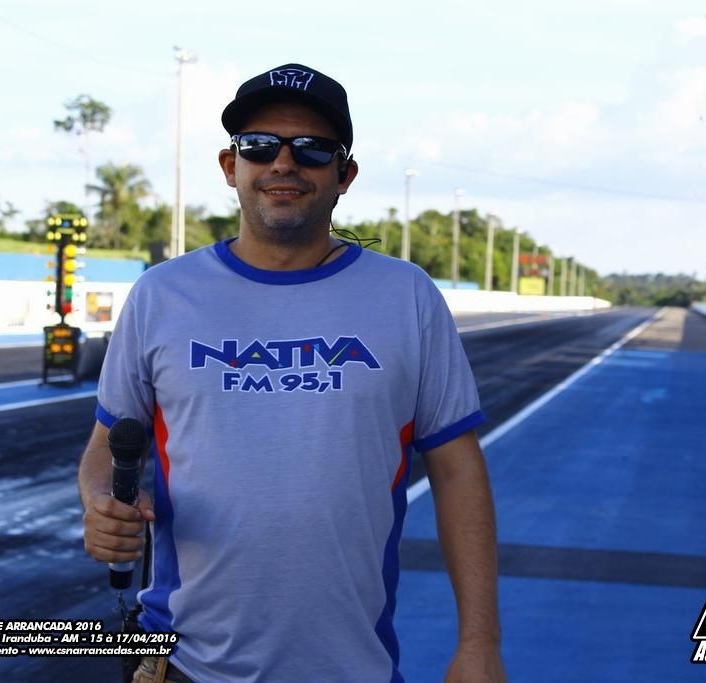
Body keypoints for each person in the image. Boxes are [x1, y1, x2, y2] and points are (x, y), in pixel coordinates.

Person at [79, 63, 505, 683]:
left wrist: (480, 644)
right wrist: (99, 502)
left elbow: (458, 469)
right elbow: (107, 445)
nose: (284, 163)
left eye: (311, 148)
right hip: (185, 664)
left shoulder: (406, 297)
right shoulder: (161, 295)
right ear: (231, 166)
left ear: (344, 175)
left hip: (353, 669)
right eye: (260, 146)